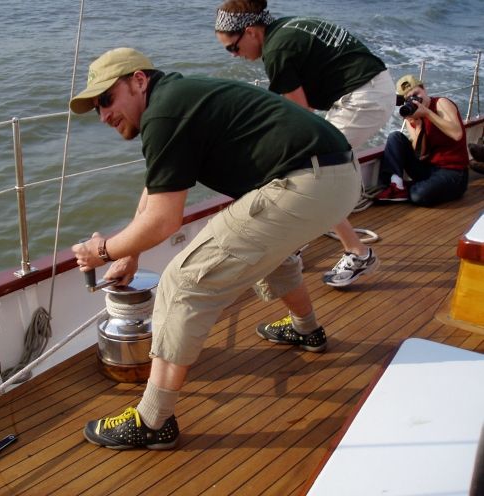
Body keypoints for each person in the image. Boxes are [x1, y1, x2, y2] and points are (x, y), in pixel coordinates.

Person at [69, 47, 361, 449]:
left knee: (184, 281)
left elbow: (163, 220)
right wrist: (128, 253)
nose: (103, 115)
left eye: (106, 100)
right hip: (336, 174)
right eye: (96, 108)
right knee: (269, 252)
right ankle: (307, 331)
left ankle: (152, 421)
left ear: (138, 80)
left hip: (307, 180)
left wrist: (100, 251)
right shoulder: (175, 99)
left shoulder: (164, 111)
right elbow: (155, 191)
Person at [213, 0, 396, 348]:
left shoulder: (277, 51)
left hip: (362, 98)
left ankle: (353, 253)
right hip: (372, 88)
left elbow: (301, 116)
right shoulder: (289, 27)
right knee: (317, 173)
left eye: (233, 48)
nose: (234, 55)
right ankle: (347, 249)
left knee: (315, 172)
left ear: (251, 32)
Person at [376, 74, 469, 205]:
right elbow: (421, 154)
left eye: (416, 94)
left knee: (417, 195)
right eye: (409, 99)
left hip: (453, 171)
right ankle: (396, 186)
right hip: (429, 168)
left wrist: (427, 113)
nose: (414, 100)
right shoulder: (412, 115)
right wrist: (418, 127)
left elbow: (457, 134)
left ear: (424, 89)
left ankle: (410, 188)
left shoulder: (441, 103)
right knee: (395, 137)